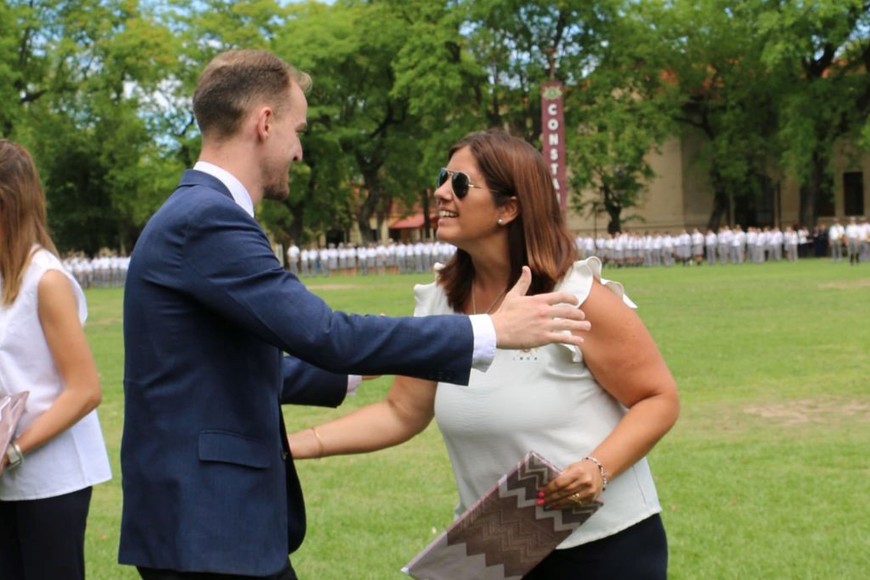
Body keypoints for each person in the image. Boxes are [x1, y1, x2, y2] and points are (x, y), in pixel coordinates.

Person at [119, 50, 590, 580]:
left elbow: (229, 364)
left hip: (198, 524)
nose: (299, 152)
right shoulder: (208, 219)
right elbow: (323, 333)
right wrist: (490, 330)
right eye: (298, 131)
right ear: (265, 123)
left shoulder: (197, 212)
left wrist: (361, 368)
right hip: (206, 525)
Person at [290, 129, 681, 579]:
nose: (440, 192)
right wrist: (293, 446)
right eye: (443, 177)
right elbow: (401, 411)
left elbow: (658, 397)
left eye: (459, 183)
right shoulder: (440, 300)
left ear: (508, 208)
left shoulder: (574, 297)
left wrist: (598, 467)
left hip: (604, 550)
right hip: (497, 552)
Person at [0, 139, 112, 579]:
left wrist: (10, 451)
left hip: (51, 480)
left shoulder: (45, 280)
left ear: (8, 204)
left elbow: (85, 390)